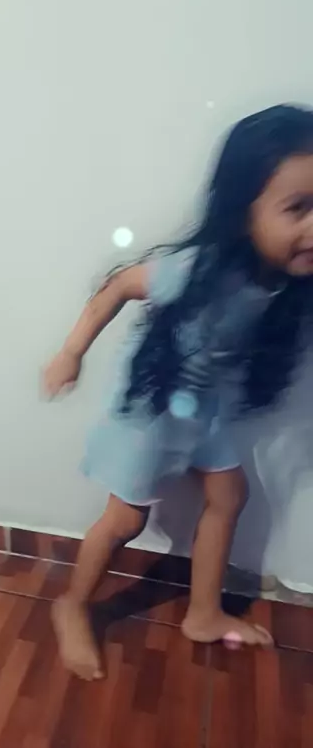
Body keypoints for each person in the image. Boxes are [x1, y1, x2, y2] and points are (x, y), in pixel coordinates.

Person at [43, 104, 313, 680]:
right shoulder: (195, 270)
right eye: (298, 208)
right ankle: (72, 605)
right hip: (151, 410)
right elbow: (119, 286)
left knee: (228, 497)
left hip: (206, 410)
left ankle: (203, 613)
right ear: (243, 212)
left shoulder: (288, 283)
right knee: (125, 521)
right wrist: (71, 352)